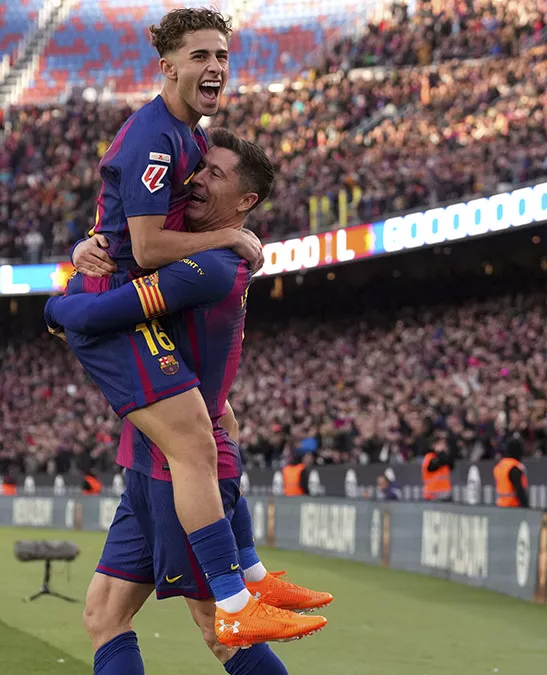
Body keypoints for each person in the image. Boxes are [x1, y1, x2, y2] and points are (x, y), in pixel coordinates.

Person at [47, 129, 325, 675]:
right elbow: (129, 244)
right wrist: (84, 249)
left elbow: (103, 312)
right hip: (152, 463)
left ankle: (246, 585)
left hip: (177, 471)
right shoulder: (199, 246)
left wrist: (53, 309)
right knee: (104, 615)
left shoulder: (211, 265)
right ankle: (250, 575)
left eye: (215, 174)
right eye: (200, 168)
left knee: (222, 632)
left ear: (245, 202)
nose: (196, 180)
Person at [57, 7, 281, 651]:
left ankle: (249, 582)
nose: (215, 68)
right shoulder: (159, 139)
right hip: (120, 308)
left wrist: (85, 252)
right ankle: (244, 589)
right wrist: (228, 234)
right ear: (168, 67)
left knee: (106, 616)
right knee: (200, 446)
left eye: (223, 56)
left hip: (131, 314)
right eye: (201, 56)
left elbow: (127, 225)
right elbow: (149, 245)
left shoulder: (188, 138)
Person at [493, 442, 529, 509]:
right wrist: (526, 507)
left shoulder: (500, 465)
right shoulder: (514, 467)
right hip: (513, 506)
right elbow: (519, 490)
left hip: (501, 505)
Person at [421, 434, 453, 501]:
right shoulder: (429, 456)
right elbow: (433, 467)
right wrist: (441, 453)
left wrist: (445, 453)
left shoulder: (445, 456)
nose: (443, 446)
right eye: (440, 444)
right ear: (434, 445)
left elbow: (451, 465)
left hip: (445, 494)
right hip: (432, 494)